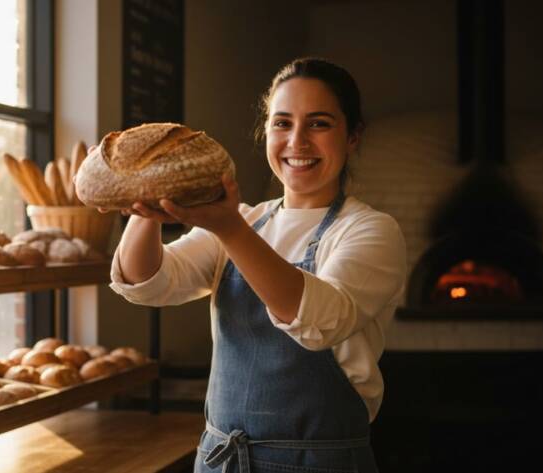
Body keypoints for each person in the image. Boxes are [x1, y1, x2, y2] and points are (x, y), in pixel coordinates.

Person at [107, 58, 406, 473]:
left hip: (321, 462)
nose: (297, 142)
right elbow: (148, 283)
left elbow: (320, 321)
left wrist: (230, 231)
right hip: (221, 459)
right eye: (282, 123)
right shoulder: (245, 219)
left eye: (318, 124)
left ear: (353, 136)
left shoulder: (370, 231)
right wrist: (149, 201)